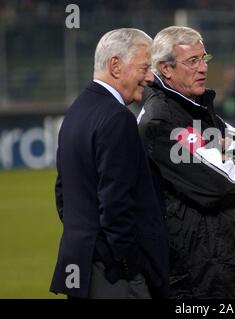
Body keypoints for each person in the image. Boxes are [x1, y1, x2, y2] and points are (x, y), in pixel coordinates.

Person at [135, 26, 235, 298]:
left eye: (203, 59)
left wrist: (218, 153)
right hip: (197, 273)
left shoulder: (194, 107)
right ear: (166, 69)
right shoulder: (162, 120)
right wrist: (222, 154)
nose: (203, 68)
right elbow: (225, 182)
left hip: (226, 261)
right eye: (192, 61)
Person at [50, 28, 169, 299]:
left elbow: (63, 195)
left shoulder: (76, 111)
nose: (150, 77)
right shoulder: (117, 118)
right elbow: (116, 206)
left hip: (81, 268)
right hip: (113, 277)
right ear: (115, 65)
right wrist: (129, 267)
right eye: (144, 67)